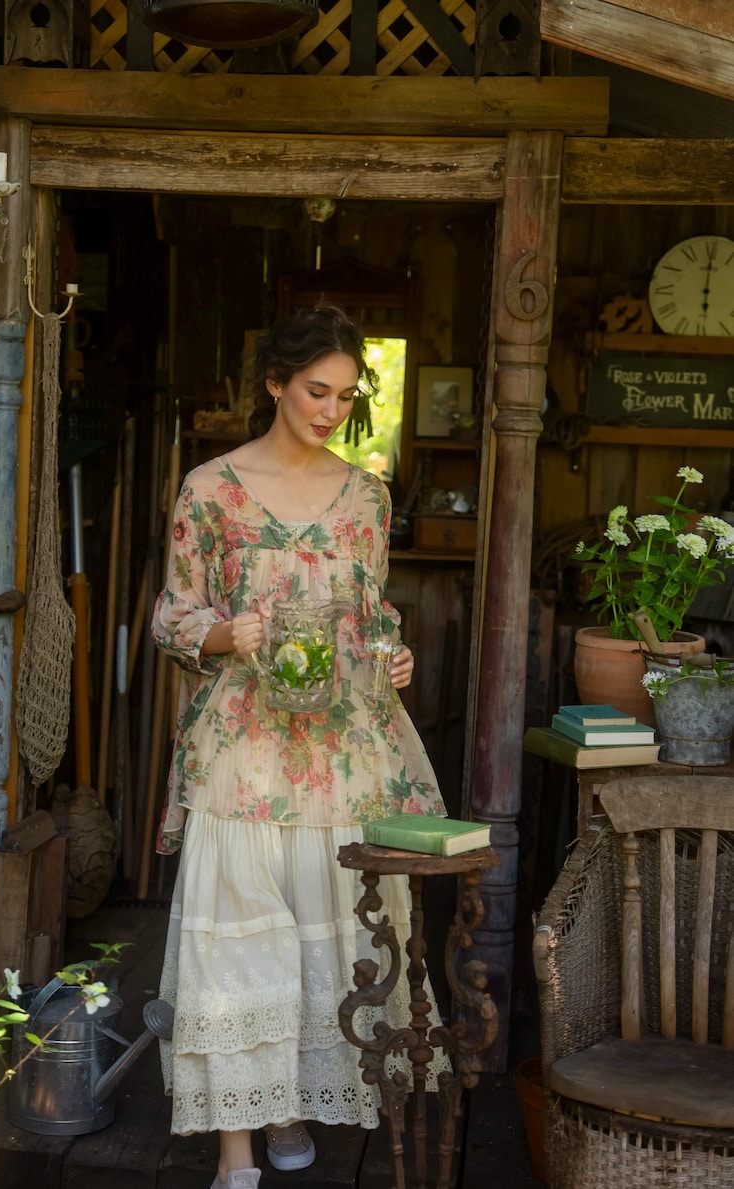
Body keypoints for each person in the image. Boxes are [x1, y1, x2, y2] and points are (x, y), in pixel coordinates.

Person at [152, 304, 447, 1189]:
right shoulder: (209, 489)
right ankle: (236, 1148)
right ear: (276, 383)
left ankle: (289, 1106)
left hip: (343, 749)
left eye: (344, 395)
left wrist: (393, 654)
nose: (329, 408)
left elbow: (371, 614)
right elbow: (173, 616)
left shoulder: (366, 495)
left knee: (326, 941)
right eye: (315, 389)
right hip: (242, 751)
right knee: (238, 946)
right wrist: (222, 633)